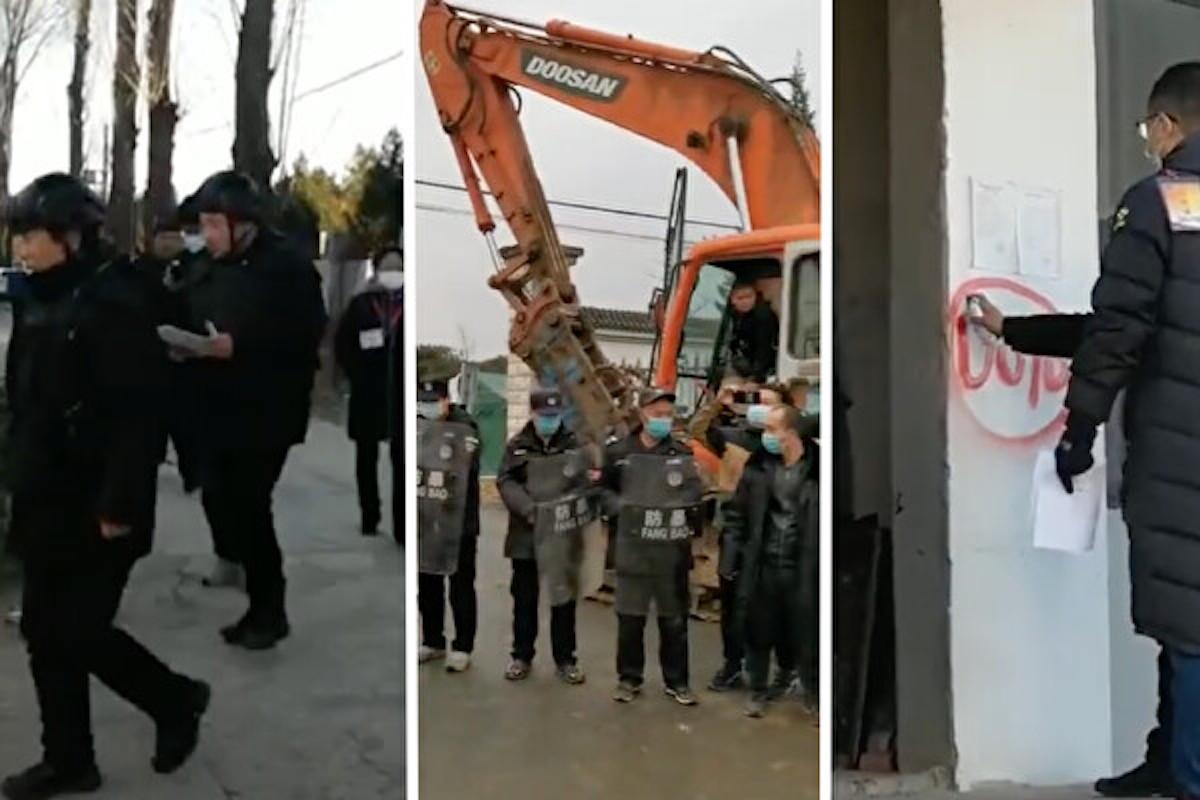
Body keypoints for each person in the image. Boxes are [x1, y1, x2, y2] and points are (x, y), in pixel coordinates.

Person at [1, 174, 210, 799]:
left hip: (99, 504)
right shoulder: (37, 300)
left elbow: (136, 417)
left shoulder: (111, 303)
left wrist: (119, 504)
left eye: (30, 236)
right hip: (46, 497)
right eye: (16, 236)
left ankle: (174, 701)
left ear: (69, 237)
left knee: (80, 630)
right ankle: (69, 761)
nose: (20, 248)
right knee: (43, 631)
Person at [1052, 62, 1200, 800]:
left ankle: (1188, 772)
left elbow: (1120, 326)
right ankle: (1168, 759)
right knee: (1185, 614)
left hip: (1179, 451)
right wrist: (1013, 328)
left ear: (1168, 126)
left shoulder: (1156, 204)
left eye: (1150, 128)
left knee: (1190, 617)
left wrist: (1080, 426)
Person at [969, 296, 1169, 798]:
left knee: (1186, 642)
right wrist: (1010, 328)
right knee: (1179, 638)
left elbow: (1108, 337)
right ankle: (1167, 758)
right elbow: (1102, 332)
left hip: (1177, 488)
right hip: (1168, 490)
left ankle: (1179, 765)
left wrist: (1076, 436)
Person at [178, 170, 327, 650]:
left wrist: (240, 347)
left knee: (250, 507)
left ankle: (269, 608)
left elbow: (305, 337)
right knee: (220, 499)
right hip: (213, 405)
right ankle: (250, 586)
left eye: (215, 224)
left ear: (244, 225)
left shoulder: (287, 269)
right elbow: (185, 310)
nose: (209, 235)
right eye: (204, 225)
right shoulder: (206, 267)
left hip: (266, 413)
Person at [602, 387, 701, 706]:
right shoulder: (619, 453)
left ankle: (677, 681)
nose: (663, 419)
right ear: (642, 413)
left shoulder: (681, 453)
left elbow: (693, 493)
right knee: (631, 618)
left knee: (673, 619)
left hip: (670, 551)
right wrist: (621, 508)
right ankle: (629, 678)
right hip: (633, 548)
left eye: (668, 414)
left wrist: (683, 507)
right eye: (657, 413)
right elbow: (602, 491)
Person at [725, 405, 819, 718]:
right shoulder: (759, 467)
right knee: (759, 630)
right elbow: (737, 514)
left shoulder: (819, 470)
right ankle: (758, 690)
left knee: (806, 632)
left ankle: (813, 693)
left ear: (791, 435)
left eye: (771, 430)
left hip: (803, 567)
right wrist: (730, 558)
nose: (765, 436)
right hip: (764, 565)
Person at [496, 386, 590, 685]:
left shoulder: (574, 444)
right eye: (544, 415)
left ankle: (566, 659)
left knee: (563, 599)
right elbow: (505, 480)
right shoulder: (517, 446)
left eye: (554, 415)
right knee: (524, 598)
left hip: (562, 534)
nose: (550, 420)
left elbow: (584, 482)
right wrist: (528, 508)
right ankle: (521, 656)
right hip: (527, 535)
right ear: (533, 414)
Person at [334, 247, 403, 536]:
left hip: (398, 395)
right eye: (387, 268)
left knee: (400, 460)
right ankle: (369, 515)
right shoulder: (360, 303)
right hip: (367, 393)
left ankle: (402, 526)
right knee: (366, 459)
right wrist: (355, 373)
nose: (393, 274)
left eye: (398, 267)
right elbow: (342, 343)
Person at [416, 378, 480, 673]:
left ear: (446, 400)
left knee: (461, 584)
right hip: (426, 517)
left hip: (459, 521)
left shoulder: (466, 427)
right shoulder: (418, 426)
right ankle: (432, 640)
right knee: (427, 580)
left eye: (433, 400)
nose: (428, 406)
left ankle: (463, 645)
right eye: (423, 400)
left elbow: (466, 461)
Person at [727, 281, 779, 383]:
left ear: (755, 296)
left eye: (749, 297)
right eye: (740, 298)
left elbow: (764, 348)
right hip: (745, 361)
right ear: (732, 300)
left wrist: (755, 377)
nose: (745, 301)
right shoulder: (733, 316)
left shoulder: (763, 316)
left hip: (765, 368)